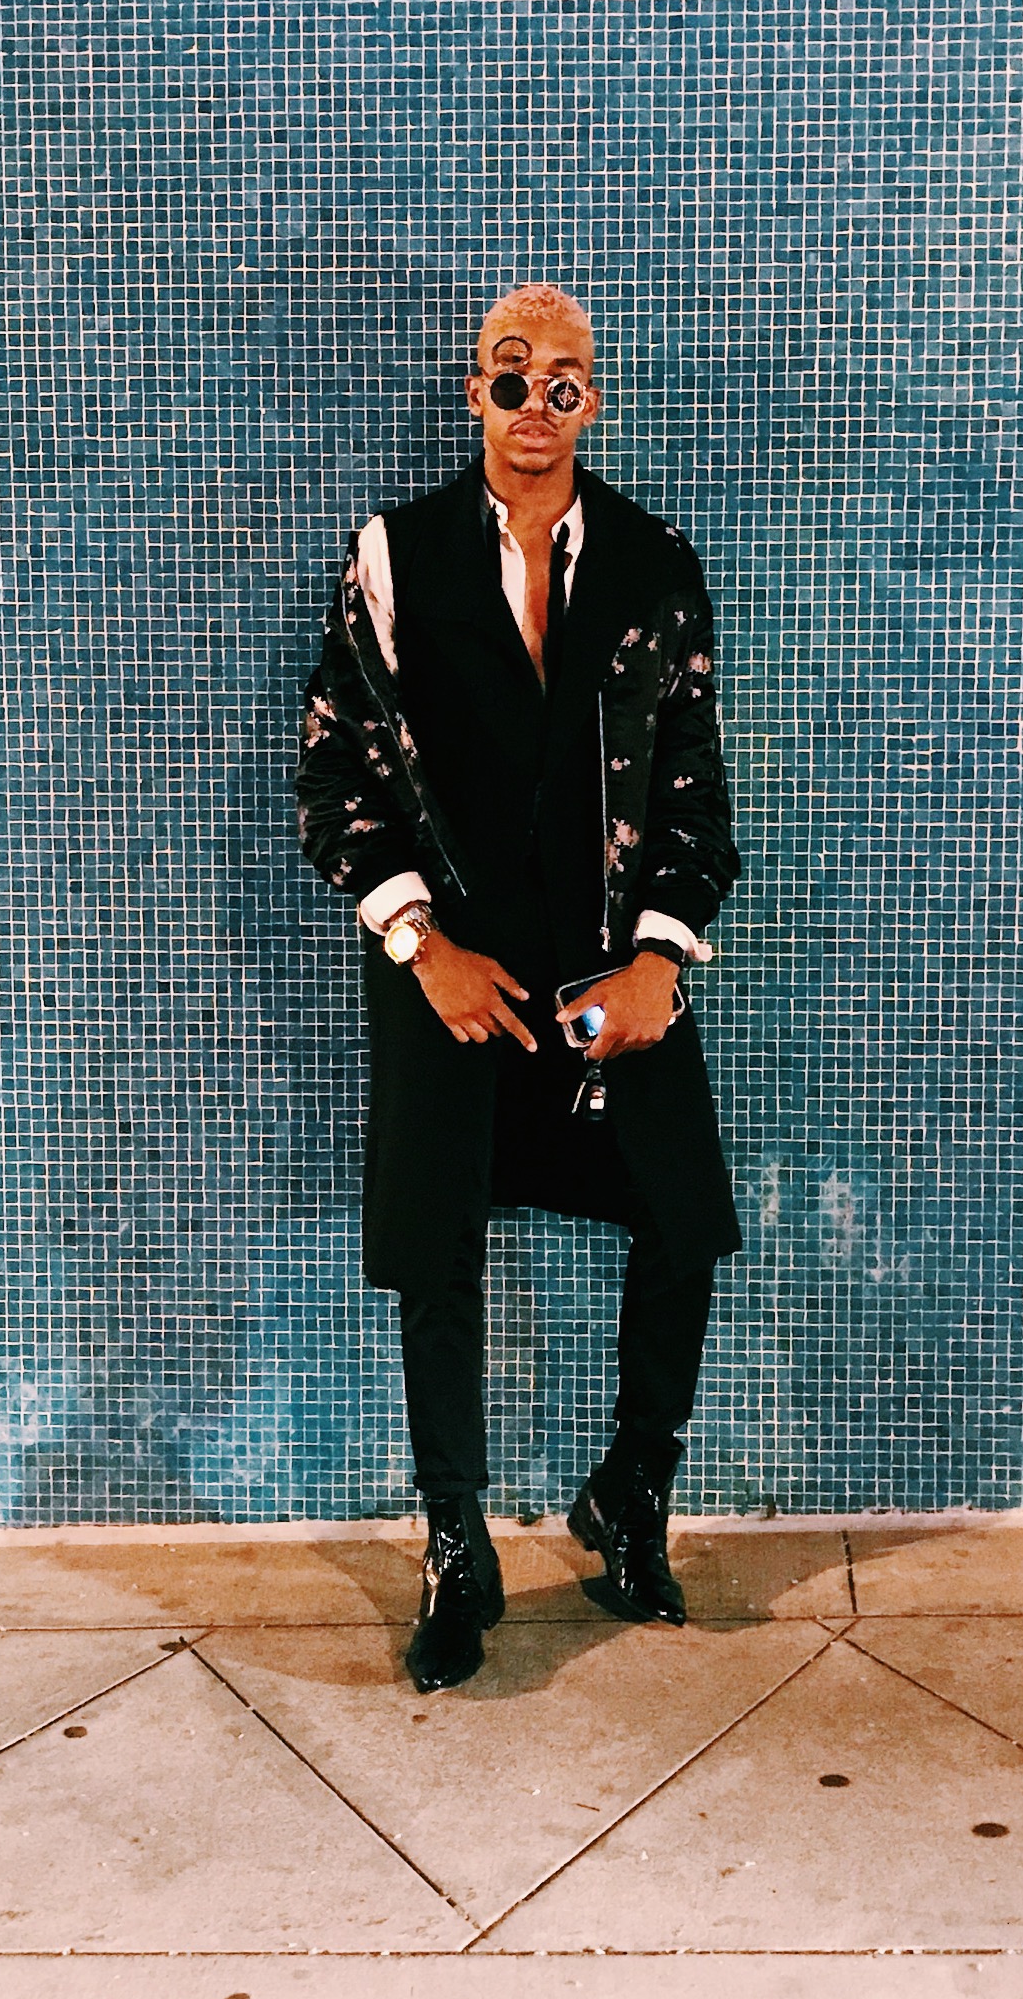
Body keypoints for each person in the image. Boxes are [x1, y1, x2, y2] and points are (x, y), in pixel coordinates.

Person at [295, 285, 742, 1691]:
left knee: (682, 1215)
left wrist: (660, 957)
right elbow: (336, 768)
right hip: (456, 968)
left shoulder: (655, 563)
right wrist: (420, 946)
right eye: (510, 376)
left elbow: (692, 784)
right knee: (438, 1248)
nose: (535, 404)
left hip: (608, 960)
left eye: (564, 381)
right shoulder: (394, 554)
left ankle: (632, 1491)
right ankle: (455, 1543)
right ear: (473, 394)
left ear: (591, 403)